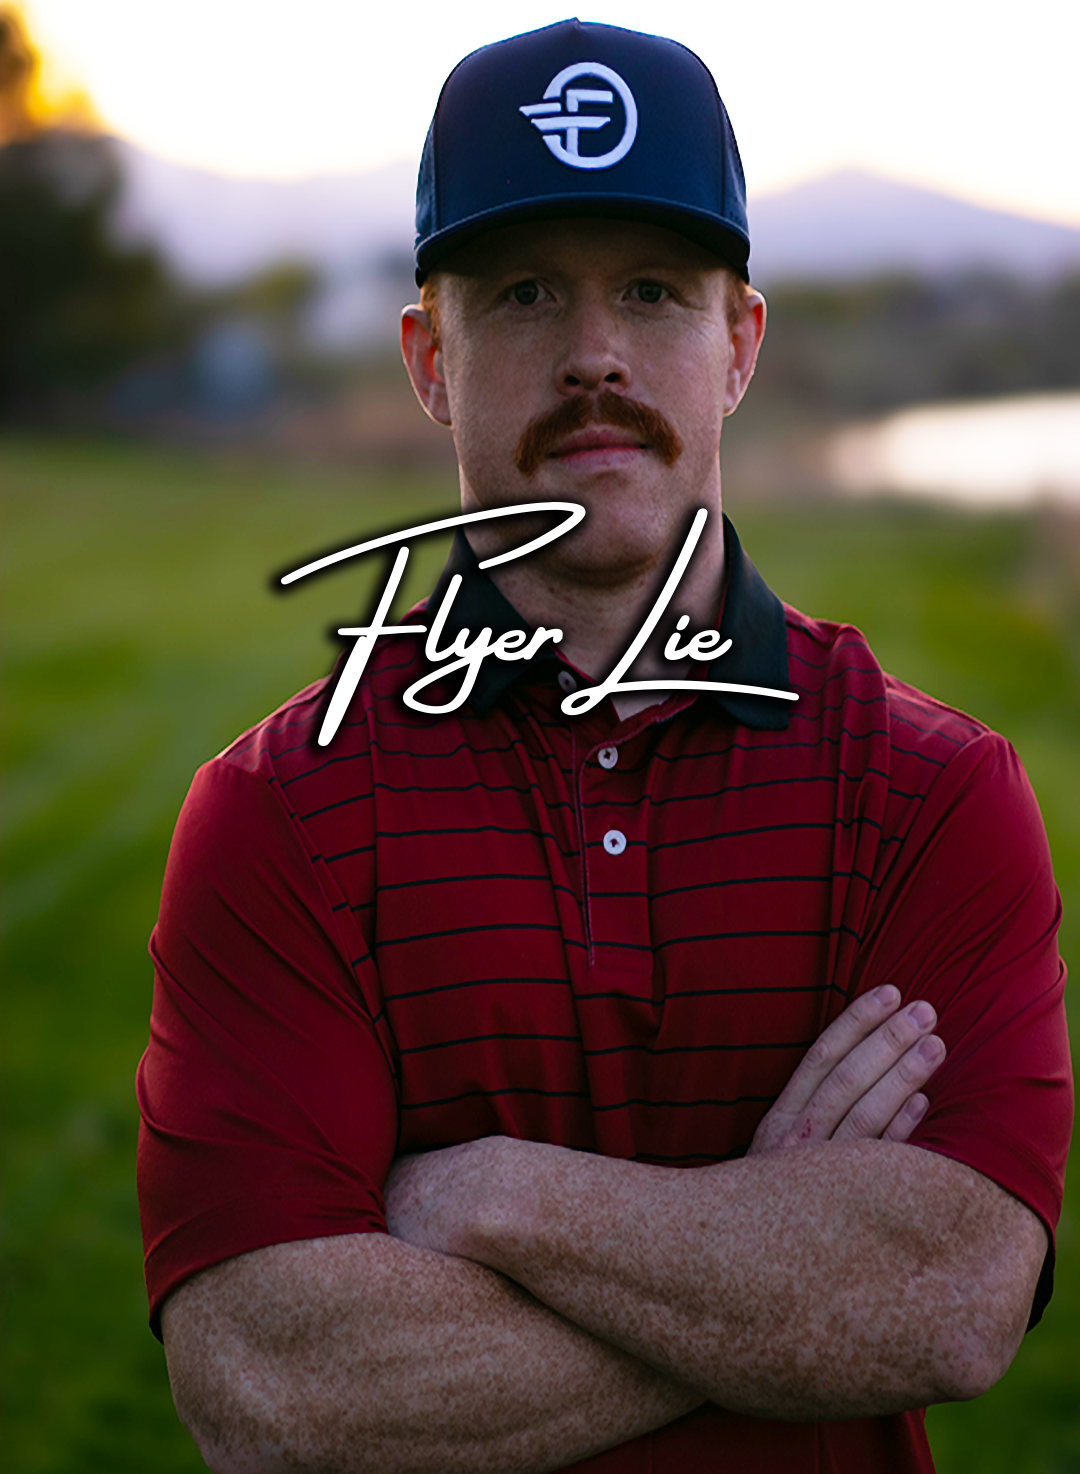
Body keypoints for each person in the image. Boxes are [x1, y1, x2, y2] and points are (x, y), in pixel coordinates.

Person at [137, 19, 1073, 1474]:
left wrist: (493, 1196)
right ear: (428, 360)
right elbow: (272, 1379)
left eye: (651, 290)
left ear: (740, 343)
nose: (593, 357)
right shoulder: (280, 816)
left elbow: (952, 1299)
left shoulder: (930, 794)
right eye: (522, 296)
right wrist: (775, 1254)